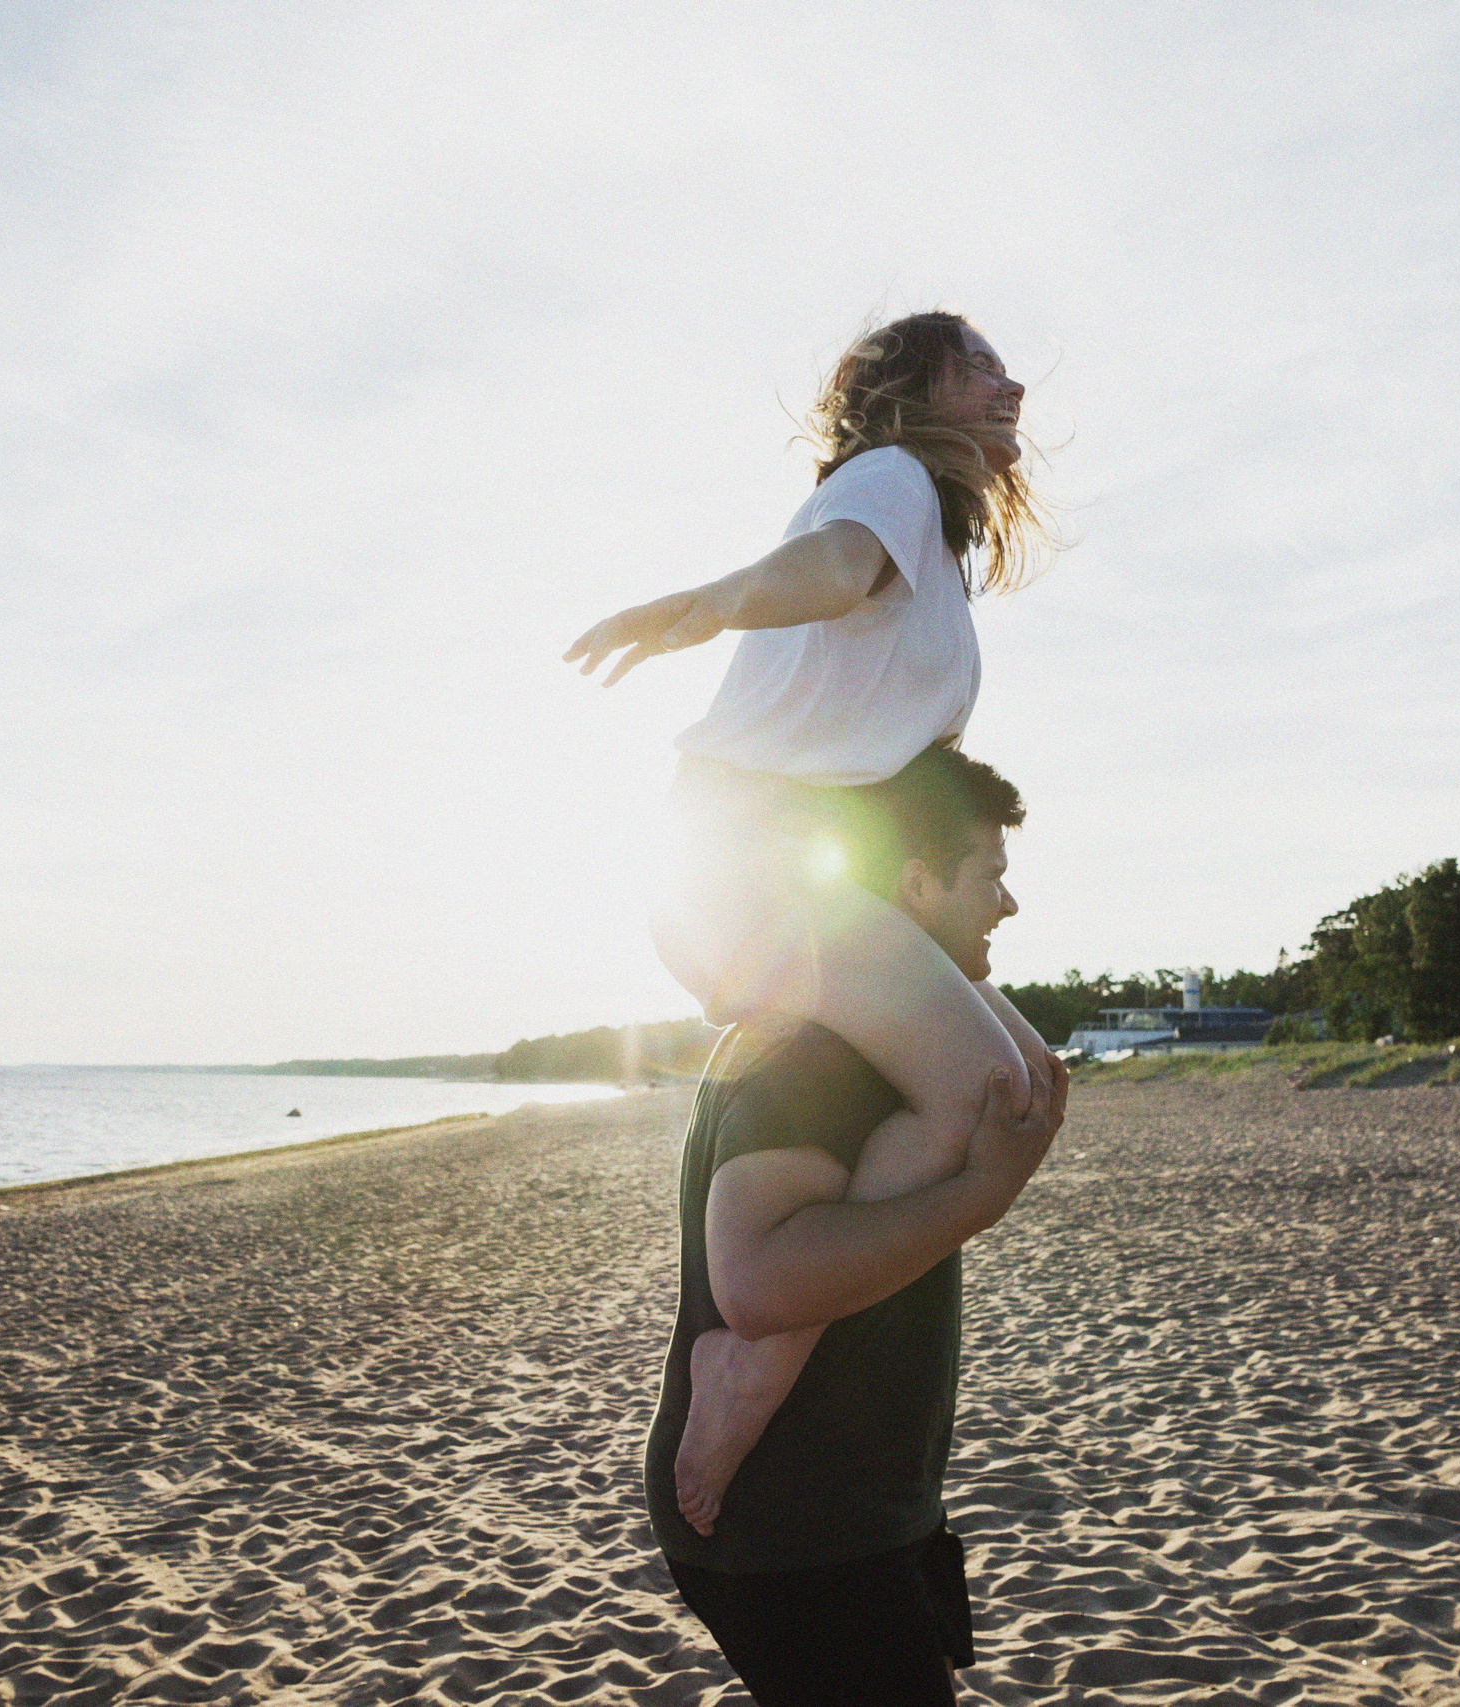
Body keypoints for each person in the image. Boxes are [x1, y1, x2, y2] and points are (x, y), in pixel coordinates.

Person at [566, 311, 1062, 1532]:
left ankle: (774, 1338)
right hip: (751, 867)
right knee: (979, 1093)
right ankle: (752, 1360)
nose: (1009, 384)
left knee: (1026, 1080)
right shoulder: (889, 479)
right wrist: (702, 605)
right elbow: (831, 569)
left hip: (801, 874)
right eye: (978, 365)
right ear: (909, 392)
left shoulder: (936, 550)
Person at [643, 745, 1066, 1705]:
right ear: (914, 884)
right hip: (793, 1532)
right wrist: (980, 1196)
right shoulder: (821, 1053)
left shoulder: (895, 1043)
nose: (1008, 904)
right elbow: (755, 1282)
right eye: (990, 875)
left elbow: (1022, 1080)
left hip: (855, 1520)